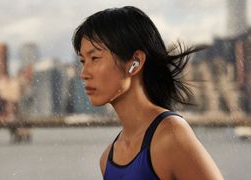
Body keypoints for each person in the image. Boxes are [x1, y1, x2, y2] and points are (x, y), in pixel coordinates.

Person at [72, 6, 223, 180]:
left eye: (95, 58)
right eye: (83, 61)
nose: (84, 73)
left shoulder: (171, 135)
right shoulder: (107, 160)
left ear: (135, 62)